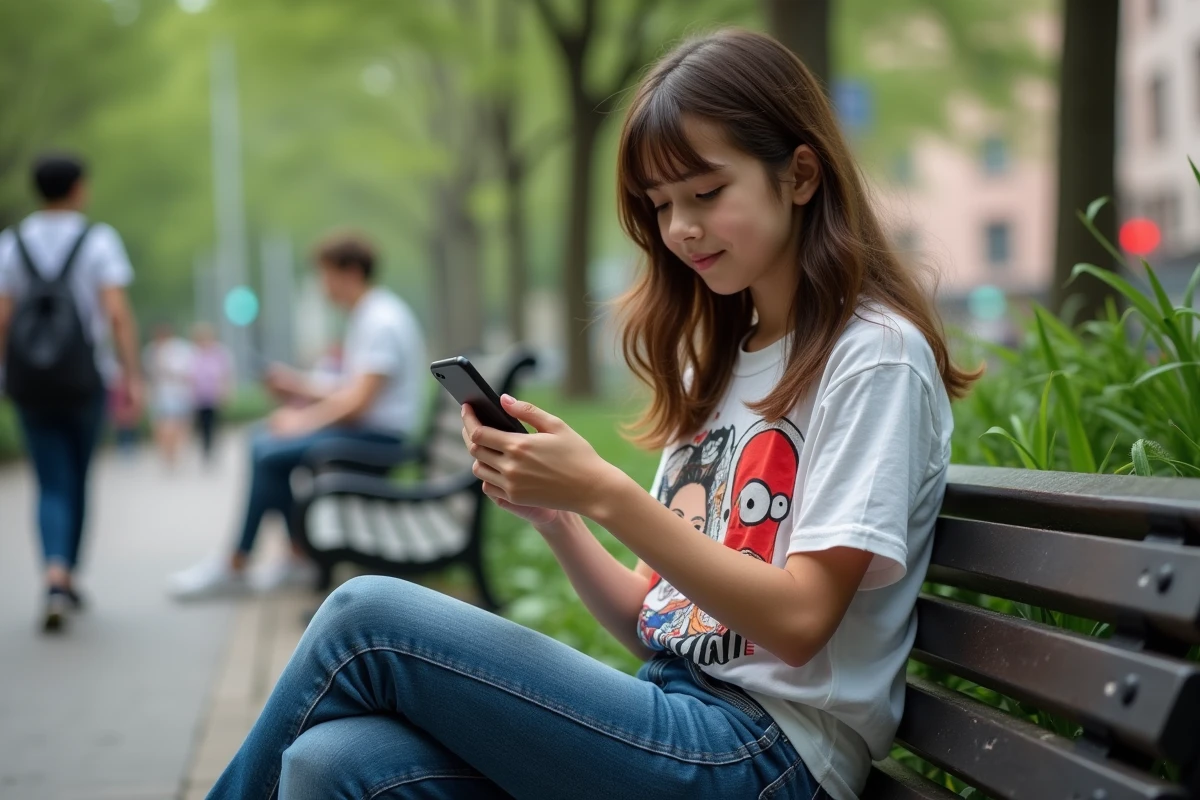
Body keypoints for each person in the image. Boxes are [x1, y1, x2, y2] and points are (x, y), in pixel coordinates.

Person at [208, 29, 978, 799]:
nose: (680, 228)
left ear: (800, 174)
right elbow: (651, 616)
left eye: (706, 193)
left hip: (767, 758)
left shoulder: (872, 356)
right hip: (678, 719)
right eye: (662, 205)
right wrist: (559, 517)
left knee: (362, 616)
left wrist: (607, 493)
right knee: (333, 765)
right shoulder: (718, 363)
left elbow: (803, 620)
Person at [168, 230, 426, 600]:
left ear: (351, 272)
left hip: (381, 440)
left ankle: (249, 560)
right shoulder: (370, 314)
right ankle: (288, 554)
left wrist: (301, 421)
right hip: (370, 432)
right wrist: (298, 387)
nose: (323, 286)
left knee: (270, 451)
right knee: (262, 443)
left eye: (326, 275)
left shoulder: (380, 320)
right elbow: (351, 390)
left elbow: (359, 403)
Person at [0, 153, 143, 632]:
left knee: (49, 480)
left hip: (30, 385)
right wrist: (132, 375)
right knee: (77, 477)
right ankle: (67, 574)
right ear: (79, 188)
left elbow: (2, 319)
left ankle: (56, 573)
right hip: (86, 379)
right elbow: (118, 314)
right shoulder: (98, 240)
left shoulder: (12, 244)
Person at [143, 322, 195, 468]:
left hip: (179, 394)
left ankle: (175, 451)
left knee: (178, 426)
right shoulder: (150, 350)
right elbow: (148, 375)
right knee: (162, 426)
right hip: (159, 395)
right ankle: (167, 453)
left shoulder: (181, 349)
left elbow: (187, 372)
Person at [190, 322, 233, 463]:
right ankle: (205, 449)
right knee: (203, 425)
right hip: (199, 396)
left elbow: (226, 373)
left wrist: (226, 392)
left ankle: (214, 448)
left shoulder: (219, 353)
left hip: (215, 395)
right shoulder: (194, 354)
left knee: (214, 424)